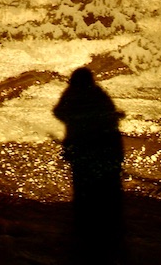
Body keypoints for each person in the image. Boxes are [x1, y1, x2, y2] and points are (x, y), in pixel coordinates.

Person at [53, 67, 125, 260]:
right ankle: (108, 226)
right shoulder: (99, 95)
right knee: (108, 188)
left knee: (85, 188)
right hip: (105, 149)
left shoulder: (75, 94)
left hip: (88, 149)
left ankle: (87, 227)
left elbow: (58, 112)